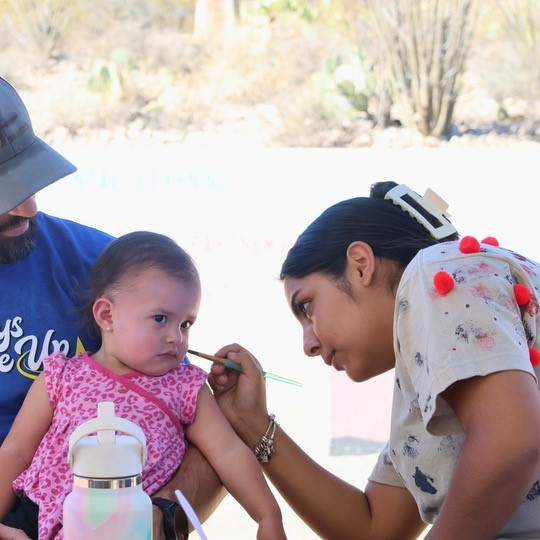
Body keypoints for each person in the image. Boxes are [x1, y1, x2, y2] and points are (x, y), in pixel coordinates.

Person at [209, 180, 540, 540]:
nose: (308, 344)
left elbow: (510, 441)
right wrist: (251, 422)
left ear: (361, 265)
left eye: (306, 306)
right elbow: (374, 529)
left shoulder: (432, 270)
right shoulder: (425, 379)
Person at [0, 76, 225, 540]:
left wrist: (160, 519)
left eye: (30, 179)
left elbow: (203, 434)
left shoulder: (106, 270)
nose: (28, 206)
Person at [0, 231, 287, 540]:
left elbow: (228, 452)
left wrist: (267, 514)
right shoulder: (60, 375)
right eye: (160, 318)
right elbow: (16, 452)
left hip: (134, 527)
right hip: (35, 519)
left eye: (186, 324)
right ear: (106, 314)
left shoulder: (185, 387)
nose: (176, 337)